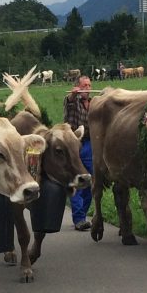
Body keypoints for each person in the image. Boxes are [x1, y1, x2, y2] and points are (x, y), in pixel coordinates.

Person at [63, 75, 93, 231]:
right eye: (84, 86)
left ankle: (82, 214)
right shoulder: (73, 101)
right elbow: (69, 103)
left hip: (91, 144)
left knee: (89, 181)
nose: (87, 88)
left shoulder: (94, 103)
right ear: (78, 87)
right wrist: (73, 95)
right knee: (77, 179)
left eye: (89, 85)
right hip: (75, 144)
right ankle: (79, 219)